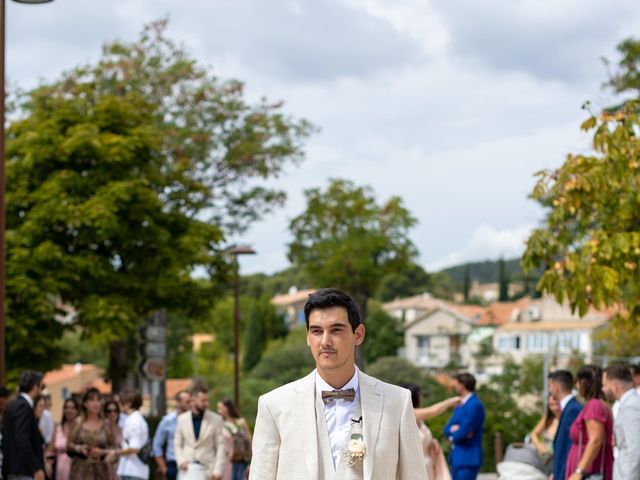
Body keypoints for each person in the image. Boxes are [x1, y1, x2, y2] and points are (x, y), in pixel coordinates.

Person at [249, 288, 426, 480]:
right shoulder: (274, 405)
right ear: (308, 337)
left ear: (358, 334)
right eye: (316, 331)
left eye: (336, 330)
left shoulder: (397, 401)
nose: (325, 341)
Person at [400, 382, 459, 480]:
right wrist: (450, 401)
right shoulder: (408, 413)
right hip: (414, 468)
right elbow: (432, 411)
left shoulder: (421, 420)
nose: (422, 398)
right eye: (420, 395)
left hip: (429, 466)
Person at [565, 365, 613, 480]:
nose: (576, 386)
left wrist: (579, 471)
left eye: (577, 381)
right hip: (589, 467)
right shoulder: (600, 404)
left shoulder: (594, 406)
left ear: (585, 383)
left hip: (590, 470)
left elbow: (596, 440)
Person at [1, 370, 46, 480]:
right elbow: (22, 438)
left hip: (15, 469)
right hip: (23, 470)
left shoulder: (14, 404)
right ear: (36, 387)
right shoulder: (23, 406)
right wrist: (36, 468)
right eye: (41, 385)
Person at [174, 384, 226, 480]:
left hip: (208, 472)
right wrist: (181, 461)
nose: (207, 404)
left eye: (207, 400)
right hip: (186, 471)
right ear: (193, 400)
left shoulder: (217, 419)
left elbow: (221, 446)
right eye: (203, 400)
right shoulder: (181, 419)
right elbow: (177, 443)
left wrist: (217, 470)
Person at [67, 387, 117, 480]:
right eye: (92, 400)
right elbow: (69, 445)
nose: (96, 403)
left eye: (98, 400)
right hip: (80, 471)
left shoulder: (106, 424)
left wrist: (102, 452)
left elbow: (113, 448)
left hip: (101, 471)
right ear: (85, 404)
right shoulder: (78, 423)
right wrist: (79, 448)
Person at [443, 372, 486, 480]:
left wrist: (455, 433)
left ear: (462, 385)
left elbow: (463, 431)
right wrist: (454, 431)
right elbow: (447, 428)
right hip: (457, 457)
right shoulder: (460, 404)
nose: (454, 386)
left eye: (456, 383)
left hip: (468, 458)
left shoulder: (475, 404)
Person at [602, 364, 640, 480]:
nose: (603, 389)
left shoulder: (631, 406)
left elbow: (636, 450)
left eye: (604, 385)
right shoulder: (629, 403)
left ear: (615, 386)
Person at [549, 369, 582, 480]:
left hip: (567, 471)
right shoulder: (569, 407)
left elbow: (571, 445)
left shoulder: (573, 409)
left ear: (555, 386)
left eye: (550, 385)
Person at [153, 390, 192, 480]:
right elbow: (157, 445)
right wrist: (164, 469)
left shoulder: (194, 420)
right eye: (187, 402)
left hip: (190, 464)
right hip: (173, 464)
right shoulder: (167, 421)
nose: (190, 404)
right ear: (178, 402)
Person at [116, 388, 150, 480]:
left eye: (120, 401)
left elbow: (135, 447)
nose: (119, 404)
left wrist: (116, 453)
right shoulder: (134, 419)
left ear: (128, 403)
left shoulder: (134, 421)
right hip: (132, 471)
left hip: (134, 471)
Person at [45, 397, 80, 480]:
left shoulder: (81, 428)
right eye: (66, 407)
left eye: (72, 408)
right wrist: (48, 464)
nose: (69, 410)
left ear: (77, 410)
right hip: (60, 471)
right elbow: (50, 450)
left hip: (77, 469)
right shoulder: (58, 428)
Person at [217, 398, 252, 480]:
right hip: (226, 461)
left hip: (241, 459)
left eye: (220, 408)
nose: (219, 411)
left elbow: (249, 439)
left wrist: (251, 460)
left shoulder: (241, 422)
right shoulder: (220, 423)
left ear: (227, 408)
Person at [529, 394, 560, 462]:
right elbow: (533, 434)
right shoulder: (548, 419)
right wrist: (539, 446)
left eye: (557, 404)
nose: (555, 408)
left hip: (557, 458)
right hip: (544, 458)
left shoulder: (567, 419)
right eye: (551, 405)